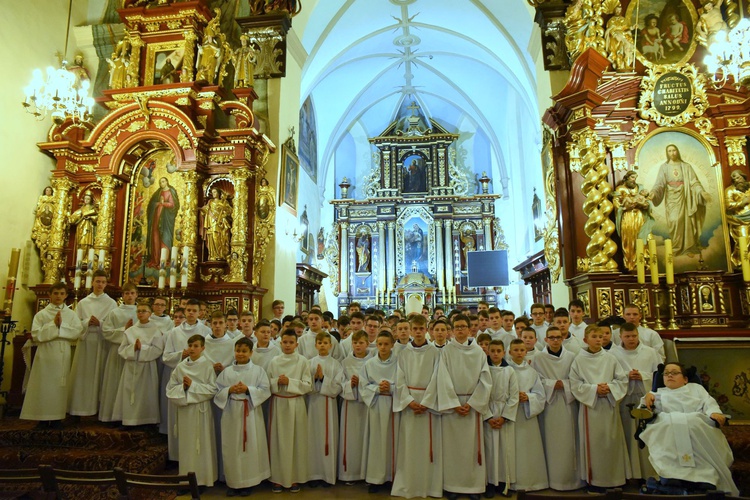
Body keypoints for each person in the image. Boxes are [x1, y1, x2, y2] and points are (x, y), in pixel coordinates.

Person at [639, 362, 739, 496]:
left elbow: (708, 403)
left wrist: (714, 412)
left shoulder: (696, 388)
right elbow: (644, 410)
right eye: (666, 373)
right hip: (667, 426)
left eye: (674, 373)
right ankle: (671, 475)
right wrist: (646, 402)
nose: (669, 375)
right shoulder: (657, 393)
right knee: (667, 425)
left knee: (693, 423)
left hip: (696, 424)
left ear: (685, 379)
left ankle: (705, 477)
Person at [434, 314, 491, 499]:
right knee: (452, 449)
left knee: (473, 450)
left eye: (462, 326)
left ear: (469, 329)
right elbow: (441, 378)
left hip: (472, 407)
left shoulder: (478, 352)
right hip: (453, 408)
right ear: (452, 329)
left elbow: (485, 380)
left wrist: (473, 403)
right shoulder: (447, 351)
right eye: (456, 327)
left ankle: (473, 488)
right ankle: (452, 486)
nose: (459, 330)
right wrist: (453, 402)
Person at [570, 326, 631, 492]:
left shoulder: (610, 358)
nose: (598, 339)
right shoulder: (579, 360)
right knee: (593, 444)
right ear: (585, 340)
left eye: (601, 336)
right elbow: (575, 384)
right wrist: (594, 389)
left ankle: (615, 479)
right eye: (594, 336)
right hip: (591, 407)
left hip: (609, 406)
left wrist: (610, 388)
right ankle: (594, 481)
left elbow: (622, 380)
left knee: (612, 442)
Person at [214, 337, 271, 496]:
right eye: (238, 350)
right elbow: (217, 391)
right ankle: (233, 482)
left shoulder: (258, 371)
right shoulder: (227, 372)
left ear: (251, 353)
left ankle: (249, 482)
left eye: (244, 351)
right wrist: (229, 390)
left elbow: (265, 390)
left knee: (249, 447)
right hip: (231, 413)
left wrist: (248, 390)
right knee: (232, 447)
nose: (240, 354)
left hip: (250, 413)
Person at [21, 282, 82, 428]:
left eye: (62, 293)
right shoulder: (41, 314)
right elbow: (36, 334)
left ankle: (56, 418)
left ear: (66, 296)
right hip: (45, 353)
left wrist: (61, 327)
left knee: (59, 385)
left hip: (62, 352)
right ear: (49, 295)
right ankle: (42, 418)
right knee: (43, 385)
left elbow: (77, 332)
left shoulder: (71, 314)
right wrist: (53, 325)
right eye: (55, 293)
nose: (58, 296)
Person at [532, 326, 583, 491]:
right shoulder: (538, 358)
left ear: (562, 338)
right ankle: (551, 480)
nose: (555, 340)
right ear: (546, 340)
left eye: (558, 337)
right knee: (550, 441)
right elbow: (535, 380)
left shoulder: (571, 357)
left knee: (569, 441)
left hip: (568, 404)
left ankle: (570, 480)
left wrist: (566, 385)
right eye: (551, 338)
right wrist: (554, 384)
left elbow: (577, 379)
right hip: (548, 405)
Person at [166, 334, 218, 488]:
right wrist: (183, 388)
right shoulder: (180, 367)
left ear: (203, 348)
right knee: (186, 448)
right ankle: (186, 481)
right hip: (185, 412)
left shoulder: (207, 365)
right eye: (190, 345)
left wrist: (192, 386)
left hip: (200, 412)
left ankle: (202, 481)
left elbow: (212, 389)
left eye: (196, 346)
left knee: (201, 446)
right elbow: (170, 389)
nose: (192, 349)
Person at [610, 322, 660, 481]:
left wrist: (644, 376)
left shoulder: (650, 352)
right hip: (625, 398)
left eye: (634, 336)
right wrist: (626, 376)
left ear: (638, 335)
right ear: (620, 337)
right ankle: (630, 474)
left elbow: (659, 375)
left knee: (647, 436)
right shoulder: (613, 353)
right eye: (627, 336)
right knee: (627, 436)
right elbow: (610, 375)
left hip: (645, 397)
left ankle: (649, 474)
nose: (631, 339)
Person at [162, 299, 211, 459]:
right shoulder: (174, 332)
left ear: (199, 312)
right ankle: (177, 456)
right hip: (179, 375)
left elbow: (208, 354)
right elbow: (166, 356)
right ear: (184, 312)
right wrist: (180, 355)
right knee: (177, 420)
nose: (190, 313)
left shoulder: (205, 331)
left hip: (200, 376)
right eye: (188, 310)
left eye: (194, 310)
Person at [267, 329, 312, 493]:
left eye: (291, 342)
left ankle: (295, 478)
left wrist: (290, 382)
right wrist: (277, 382)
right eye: (285, 342)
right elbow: (267, 383)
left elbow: (308, 385)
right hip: (279, 403)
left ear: (296, 344)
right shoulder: (274, 361)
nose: (287, 345)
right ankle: (278, 478)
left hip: (295, 404)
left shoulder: (303, 361)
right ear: (280, 343)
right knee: (278, 441)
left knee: (296, 441)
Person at [68, 270, 118, 418]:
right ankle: (80, 408)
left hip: (103, 343)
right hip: (86, 341)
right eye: (97, 281)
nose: (100, 285)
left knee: (101, 374)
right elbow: (76, 323)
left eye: (103, 282)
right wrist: (86, 322)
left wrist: (101, 324)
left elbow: (113, 325)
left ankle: (99, 409)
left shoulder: (111, 303)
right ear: (92, 282)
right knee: (84, 375)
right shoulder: (84, 303)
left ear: (106, 284)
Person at [650, 144, 711, 256]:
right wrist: (653, 193)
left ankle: (689, 247)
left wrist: (702, 192)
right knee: (674, 220)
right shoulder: (664, 167)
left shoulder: (686, 166)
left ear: (677, 151)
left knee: (686, 220)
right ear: (667, 153)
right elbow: (659, 184)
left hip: (685, 196)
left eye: (674, 150)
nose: (672, 153)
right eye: (669, 151)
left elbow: (694, 182)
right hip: (672, 199)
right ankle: (676, 247)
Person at [113, 301, 165, 427]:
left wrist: (143, 349)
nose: (140, 313)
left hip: (147, 367)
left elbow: (158, 349)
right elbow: (121, 349)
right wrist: (133, 349)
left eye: (144, 311)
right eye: (139, 311)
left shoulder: (155, 331)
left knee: (146, 393)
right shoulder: (130, 331)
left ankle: (146, 420)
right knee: (129, 392)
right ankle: (128, 419)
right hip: (131, 366)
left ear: (150, 314)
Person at [361, 331, 400, 493]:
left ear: (392, 345)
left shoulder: (399, 363)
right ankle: (376, 479)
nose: (383, 347)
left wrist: (391, 388)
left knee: (393, 441)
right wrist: (377, 388)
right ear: (376, 345)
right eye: (380, 344)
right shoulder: (369, 364)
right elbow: (363, 385)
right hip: (376, 405)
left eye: (386, 344)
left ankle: (392, 477)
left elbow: (404, 383)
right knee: (376, 442)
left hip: (393, 405)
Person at [507, 339, 548, 492]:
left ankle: (532, 482)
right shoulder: (505, 370)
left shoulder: (532, 372)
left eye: (521, 350)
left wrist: (529, 398)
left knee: (529, 449)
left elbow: (540, 394)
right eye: (515, 350)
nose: (518, 353)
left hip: (527, 414)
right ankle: (512, 483)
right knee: (513, 448)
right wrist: (512, 397)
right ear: (510, 352)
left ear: (526, 352)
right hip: (511, 414)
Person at [307, 332, 345, 486]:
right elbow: (305, 385)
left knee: (328, 437)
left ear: (331, 345)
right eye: (319, 342)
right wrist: (315, 379)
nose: (322, 345)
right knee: (312, 438)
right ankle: (313, 475)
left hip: (329, 406)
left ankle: (327, 475)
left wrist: (323, 379)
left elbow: (337, 387)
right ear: (315, 345)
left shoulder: (336, 364)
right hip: (313, 404)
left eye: (325, 343)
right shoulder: (309, 363)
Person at [483, 340, 519, 497]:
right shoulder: (484, 370)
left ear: (504, 352)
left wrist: (504, 417)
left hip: (504, 413)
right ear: (488, 352)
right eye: (493, 351)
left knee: (505, 449)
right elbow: (480, 393)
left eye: (499, 351)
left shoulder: (509, 371)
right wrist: (488, 416)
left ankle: (504, 483)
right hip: (489, 412)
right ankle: (490, 483)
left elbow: (514, 395)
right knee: (489, 450)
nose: (496, 353)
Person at [99, 283, 139, 423]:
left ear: (136, 295)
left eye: (132, 293)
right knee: (114, 383)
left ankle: (129, 416)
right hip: (117, 351)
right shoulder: (115, 312)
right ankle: (112, 416)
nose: (129, 296)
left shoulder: (141, 312)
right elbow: (106, 332)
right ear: (122, 295)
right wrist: (124, 330)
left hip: (134, 353)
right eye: (126, 293)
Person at [339, 330, 371, 483]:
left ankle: (366, 473)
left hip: (367, 406)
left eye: (361, 343)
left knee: (367, 438)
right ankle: (350, 473)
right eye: (355, 343)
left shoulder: (373, 361)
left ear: (367, 344)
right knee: (351, 439)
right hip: (350, 405)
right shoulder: (345, 362)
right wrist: (349, 385)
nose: (358, 346)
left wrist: (362, 384)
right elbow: (340, 383)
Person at [147, 177, 180, 268]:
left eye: (163, 181)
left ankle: (164, 260)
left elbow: (173, 205)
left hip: (166, 219)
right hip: (157, 217)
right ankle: (156, 259)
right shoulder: (158, 193)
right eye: (160, 182)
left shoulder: (171, 192)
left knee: (165, 237)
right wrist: (157, 204)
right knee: (156, 236)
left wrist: (163, 204)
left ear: (167, 182)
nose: (161, 183)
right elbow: (151, 204)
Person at [725, 169, 750, 268]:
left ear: (743, 177)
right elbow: (728, 205)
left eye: (738, 177)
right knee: (743, 241)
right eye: (734, 179)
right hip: (740, 220)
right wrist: (742, 203)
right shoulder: (730, 190)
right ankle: (741, 264)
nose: (737, 180)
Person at [201, 187, 232, 261]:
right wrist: (211, 216)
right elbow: (205, 210)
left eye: (215, 192)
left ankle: (221, 254)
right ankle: (213, 254)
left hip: (221, 223)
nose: (214, 194)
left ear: (219, 193)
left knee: (221, 238)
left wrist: (224, 214)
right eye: (213, 192)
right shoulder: (210, 202)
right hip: (212, 223)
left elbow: (230, 211)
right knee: (213, 237)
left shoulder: (224, 202)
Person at [69, 191, 98, 256]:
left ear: (91, 200)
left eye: (88, 199)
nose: (86, 200)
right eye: (85, 199)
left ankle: (88, 258)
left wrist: (90, 217)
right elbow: (73, 218)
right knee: (82, 242)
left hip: (90, 228)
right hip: (82, 228)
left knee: (89, 243)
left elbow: (98, 219)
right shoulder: (81, 209)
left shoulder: (94, 209)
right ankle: (81, 258)